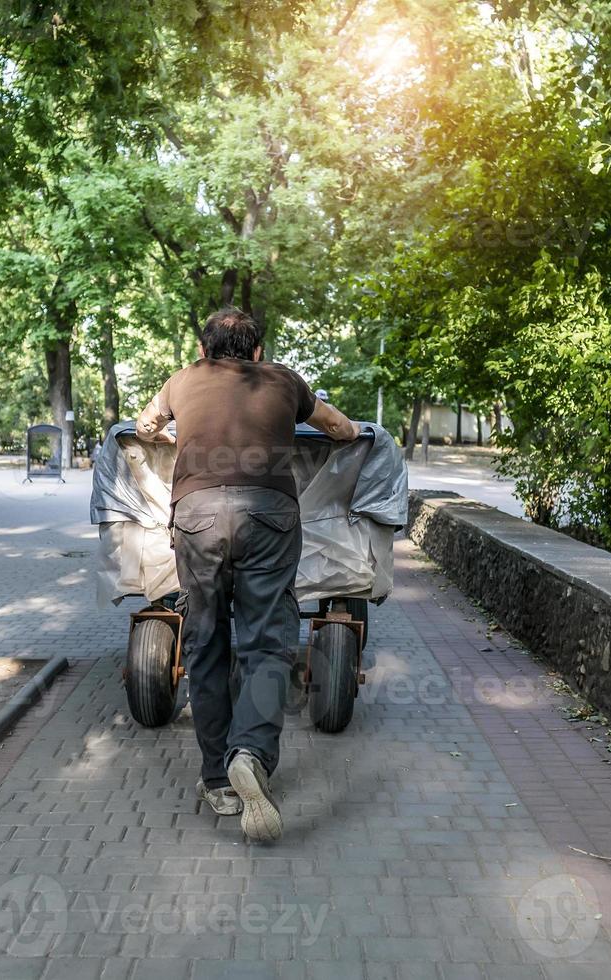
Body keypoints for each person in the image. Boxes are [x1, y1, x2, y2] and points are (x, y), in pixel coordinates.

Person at [135, 307, 358, 842]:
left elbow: (144, 425)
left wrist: (175, 438)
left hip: (197, 515)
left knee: (206, 642)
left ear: (203, 347)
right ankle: (251, 753)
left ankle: (218, 780)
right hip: (269, 515)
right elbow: (338, 427)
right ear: (258, 351)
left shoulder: (181, 380)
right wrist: (345, 435)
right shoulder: (284, 379)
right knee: (266, 642)